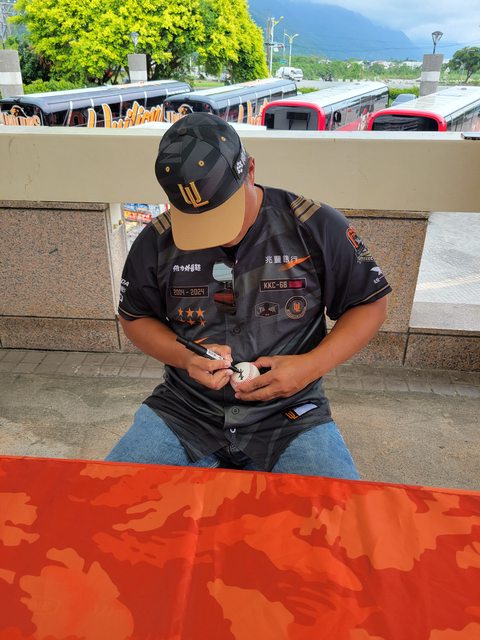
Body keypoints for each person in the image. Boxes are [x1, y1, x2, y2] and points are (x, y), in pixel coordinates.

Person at [107, 112, 391, 478]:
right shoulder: (158, 240)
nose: (216, 234)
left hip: (290, 415)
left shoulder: (313, 226)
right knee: (108, 498)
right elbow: (135, 317)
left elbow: (370, 303)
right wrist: (186, 358)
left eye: (223, 212)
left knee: (336, 509)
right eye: (198, 221)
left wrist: (310, 367)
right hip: (185, 412)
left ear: (250, 171)